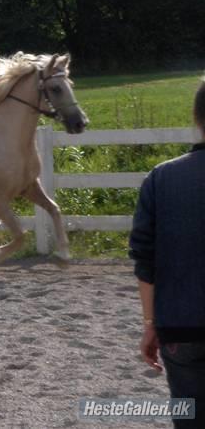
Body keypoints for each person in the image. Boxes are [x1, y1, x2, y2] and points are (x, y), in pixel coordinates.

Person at [129, 78, 205, 428]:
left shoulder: (161, 178)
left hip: (180, 325)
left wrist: (149, 325)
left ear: (197, 119)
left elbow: (145, 261)